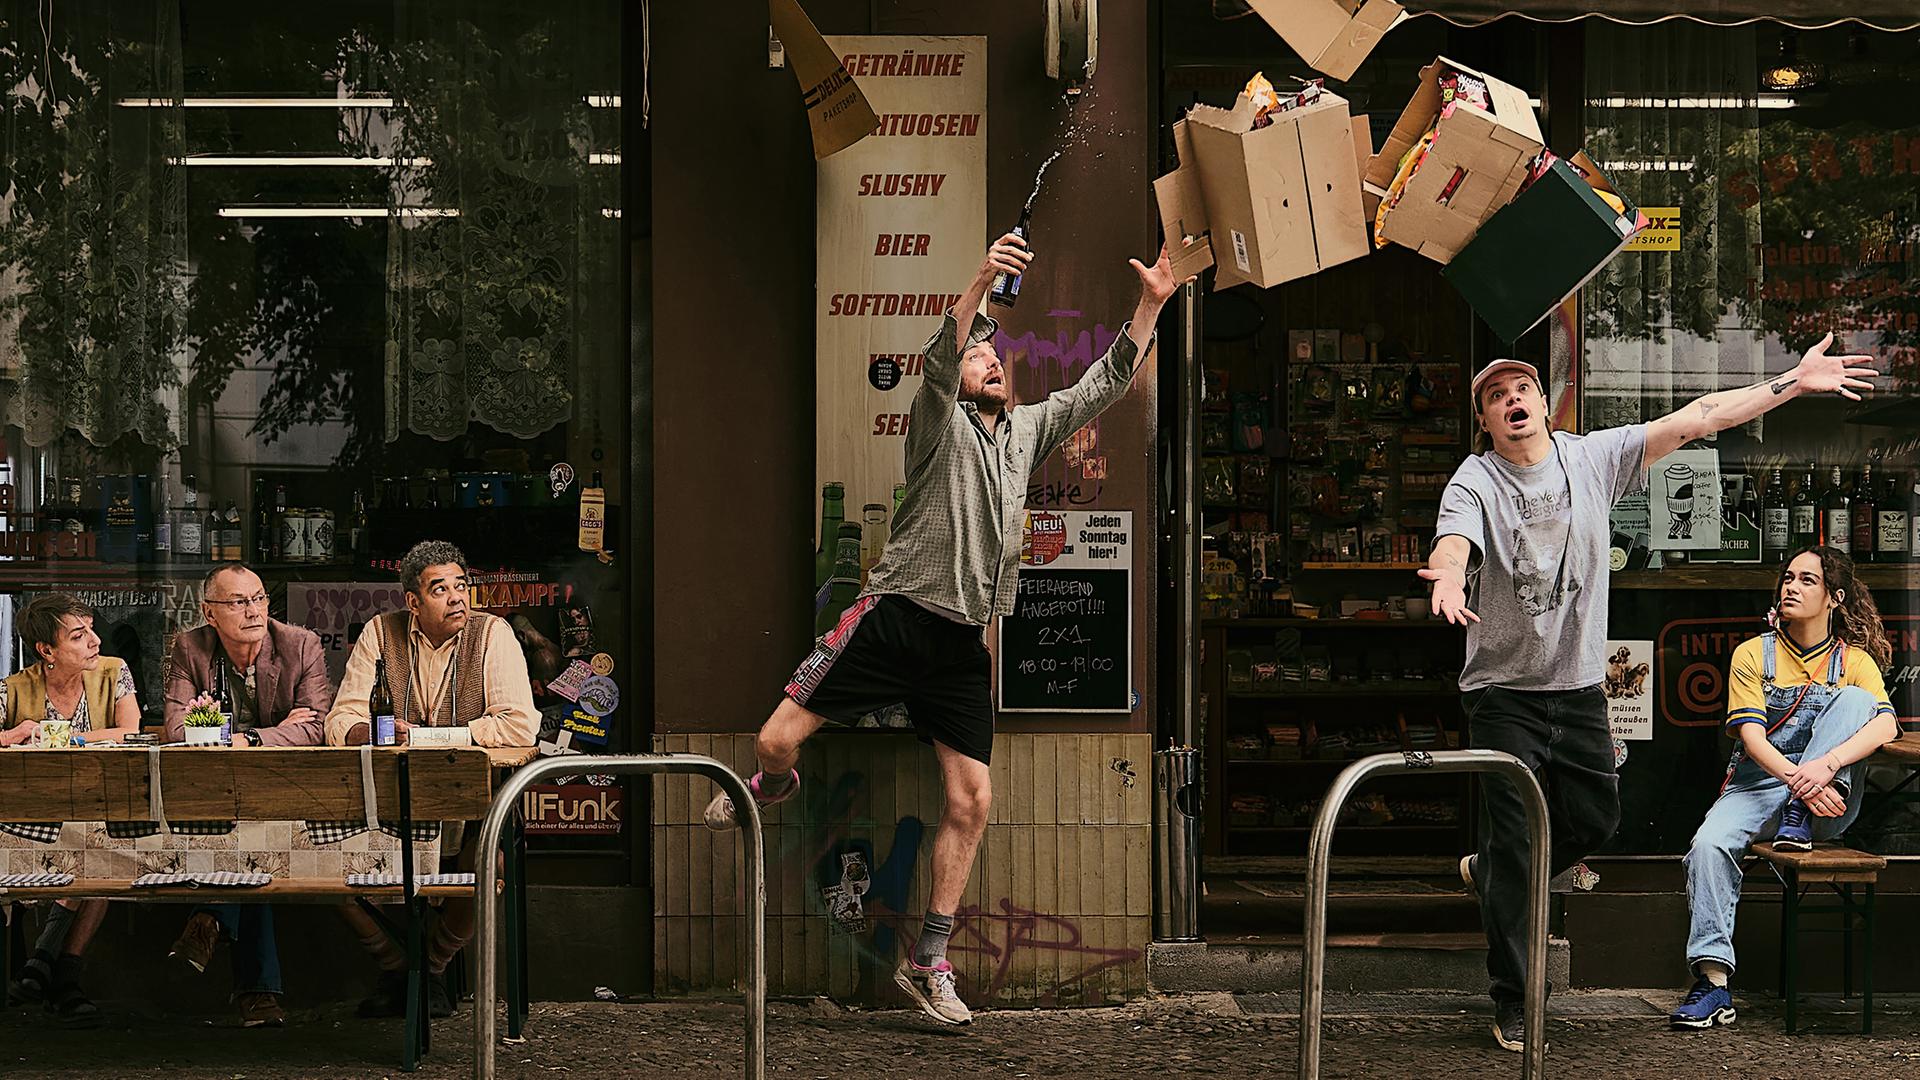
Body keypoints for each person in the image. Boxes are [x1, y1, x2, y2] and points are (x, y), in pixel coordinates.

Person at [702, 234, 1181, 1026]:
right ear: (956, 377)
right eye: (978, 357)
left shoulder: (1026, 432)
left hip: (960, 645)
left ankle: (928, 961)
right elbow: (939, 356)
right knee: (775, 743)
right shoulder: (935, 424)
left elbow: (1104, 382)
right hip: (891, 621)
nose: (991, 363)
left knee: (972, 799)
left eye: (998, 358)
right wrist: (984, 279)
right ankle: (771, 787)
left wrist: (1150, 304)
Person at [1423, 335, 1877, 1052]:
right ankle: (1516, 999)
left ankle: (1492, 871)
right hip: (1503, 693)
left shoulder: (1592, 458)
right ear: (1485, 420)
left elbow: (1702, 416)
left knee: (1596, 820)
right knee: (1515, 836)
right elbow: (1454, 541)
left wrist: (1794, 380)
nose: (1512, 401)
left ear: (1544, 403)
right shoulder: (1475, 479)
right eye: (1495, 396)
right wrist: (1450, 575)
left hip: (1577, 689)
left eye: (1522, 389)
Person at [1669, 546, 1897, 1030]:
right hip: (1760, 788)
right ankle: (1713, 983)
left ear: (1835, 597)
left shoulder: (1853, 661)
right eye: (1788, 578)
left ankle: (1800, 813)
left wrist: (1825, 768)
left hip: (1827, 803)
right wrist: (1800, 784)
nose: (1791, 587)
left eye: (1807, 580)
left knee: (1857, 702)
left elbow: (1887, 726)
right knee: (1707, 846)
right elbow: (1752, 739)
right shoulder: (1754, 654)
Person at [325, 540, 539, 1018]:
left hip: (474, 804)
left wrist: (423, 738)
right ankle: (402, 966)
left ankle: (430, 966)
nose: (457, 597)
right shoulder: (381, 633)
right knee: (322, 865)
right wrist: (366, 731)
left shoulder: (493, 634)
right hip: (393, 801)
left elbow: (520, 726)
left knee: (490, 863)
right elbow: (340, 721)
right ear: (414, 601)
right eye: (440, 589)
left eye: (462, 585)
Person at [161, 562, 335, 1028]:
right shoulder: (190, 648)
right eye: (238, 602)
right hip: (215, 793)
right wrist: (275, 732)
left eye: (258, 598)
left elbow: (317, 728)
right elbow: (176, 730)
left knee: (254, 833)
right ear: (209, 613)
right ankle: (257, 991)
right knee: (248, 839)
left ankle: (209, 918)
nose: (254, 610)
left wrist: (248, 739)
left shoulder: (300, 644)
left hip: (285, 788)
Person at [0, 592, 146, 1027]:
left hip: (96, 806)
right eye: (79, 636)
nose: (95, 641)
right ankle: (62, 977)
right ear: (47, 651)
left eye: (91, 631)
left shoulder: (114, 672)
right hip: (31, 817)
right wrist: (13, 735)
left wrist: (66, 738)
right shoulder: (12, 687)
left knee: (104, 850)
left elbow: (130, 731)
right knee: (99, 855)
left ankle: (45, 961)